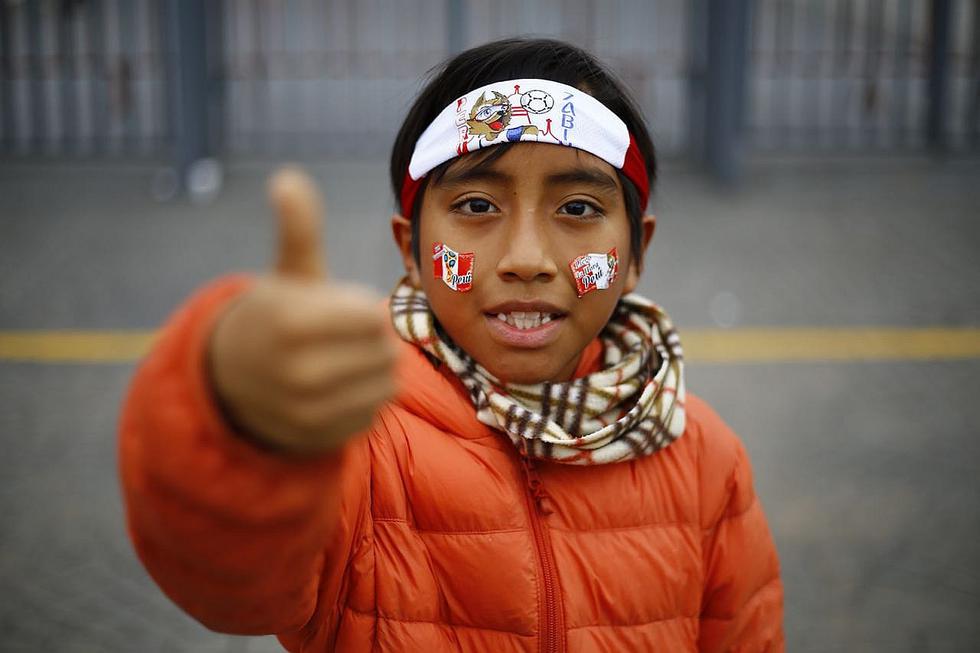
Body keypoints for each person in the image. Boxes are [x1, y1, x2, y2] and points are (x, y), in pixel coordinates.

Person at [119, 38, 784, 652]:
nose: (527, 258)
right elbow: (231, 580)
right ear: (408, 246)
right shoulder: (354, 447)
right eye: (475, 205)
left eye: (578, 208)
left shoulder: (705, 461)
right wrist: (237, 414)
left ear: (637, 251)